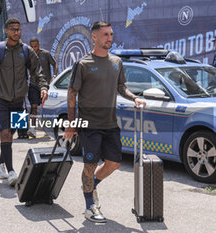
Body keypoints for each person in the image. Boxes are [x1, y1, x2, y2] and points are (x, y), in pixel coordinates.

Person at [63, 21, 146, 223]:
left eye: (111, 34)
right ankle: (90, 206)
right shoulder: (83, 64)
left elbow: (121, 87)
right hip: (89, 124)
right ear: (94, 37)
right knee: (90, 164)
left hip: (110, 123)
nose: (109, 38)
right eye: (105, 35)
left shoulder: (116, 62)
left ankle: (90, 186)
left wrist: (134, 97)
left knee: (114, 163)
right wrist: (71, 123)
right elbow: (72, 94)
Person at [0, 18, 49, 186]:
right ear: (6, 31)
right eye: (13, 29)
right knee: (5, 133)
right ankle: (11, 171)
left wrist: (43, 87)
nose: (16, 32)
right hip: (0, 100)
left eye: (18, 29)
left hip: (18, 101)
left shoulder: (26, 51)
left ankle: (0, 167)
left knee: (10, 135)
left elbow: (37, 71)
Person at [26, 37, 57, 138]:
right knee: (34, 106)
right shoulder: (28, 55)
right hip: (34, 84)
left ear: (39, 45)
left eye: (35, 46)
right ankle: (32, 128)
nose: (34, 48)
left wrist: (54, 76)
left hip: (45, 85)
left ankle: (47, 129)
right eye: (32, 47)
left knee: (45, 108)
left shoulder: (46, 54)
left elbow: (54, 64)